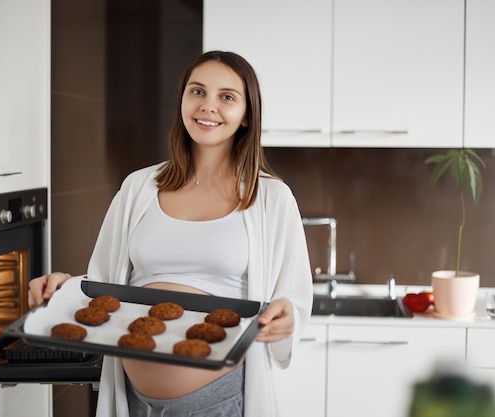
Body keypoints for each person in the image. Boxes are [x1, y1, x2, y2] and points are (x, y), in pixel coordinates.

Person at [28, 50, 313, 417]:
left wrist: (287, 316)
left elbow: (294, 298)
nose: (208, 106)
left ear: (246, 116)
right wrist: (63, 286)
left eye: (226, 97)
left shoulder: (271, 197)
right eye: (197, 92)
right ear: (182, 100)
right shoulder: (139, 187)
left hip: (215, 402)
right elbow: (103, 285)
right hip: (133, 401)